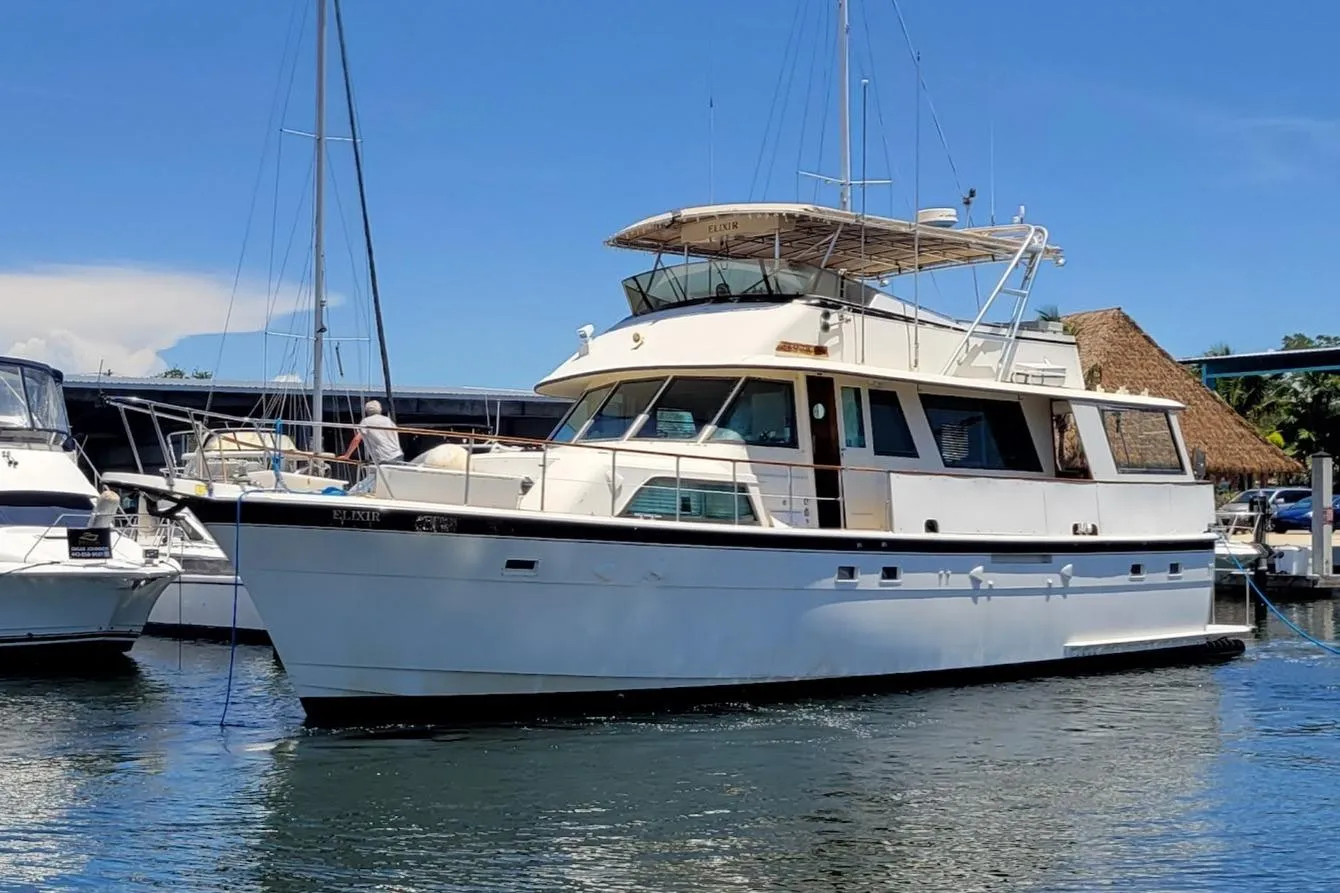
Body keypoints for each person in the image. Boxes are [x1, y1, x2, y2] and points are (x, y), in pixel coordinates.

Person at [339, 399, 404, 465]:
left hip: (384, 458)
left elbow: (357, 439)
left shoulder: (366, 422)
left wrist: (347, 455)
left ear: (367, 411)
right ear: (380, 409)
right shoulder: (388, 420)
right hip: (398, 454)